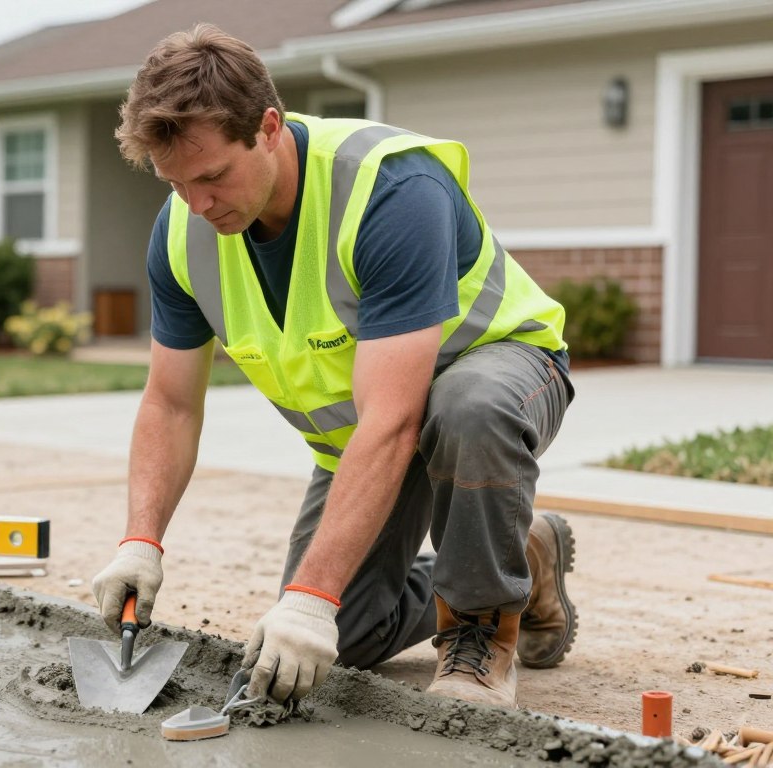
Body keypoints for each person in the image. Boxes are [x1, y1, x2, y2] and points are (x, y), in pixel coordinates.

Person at [91, 23, 577, 710]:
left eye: (212, 177)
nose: (198, 205)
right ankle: (521, 553)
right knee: (332, 639)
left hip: (498, 372)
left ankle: (478, 636)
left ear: (268, 126)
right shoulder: (182, 232)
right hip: (370, 431)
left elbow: (398, 415)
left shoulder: (389, 189)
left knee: (465, 408)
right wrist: (141, 542)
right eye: (177, 184)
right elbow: (170, 402)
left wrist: (310, 594)